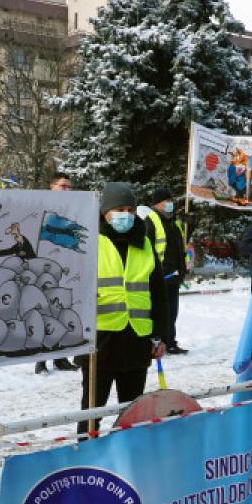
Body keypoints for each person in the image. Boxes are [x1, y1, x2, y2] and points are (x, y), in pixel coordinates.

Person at [78, 182, 167, 438]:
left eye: (130, 209)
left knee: (132, 412)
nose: (125, 215)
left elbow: (159, 294)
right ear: (104, 212)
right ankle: (85, 457)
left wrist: (161, 335)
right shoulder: (89, 241)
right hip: (100, 342)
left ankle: (128, 457)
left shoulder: (145, 242)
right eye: (119, 209)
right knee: (91, 411)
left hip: (137, 341)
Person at [35, 172, 78, 374]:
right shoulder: (42, 206)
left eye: (69, 187)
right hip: (44, 268)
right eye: (63, 186)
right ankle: (41, 361)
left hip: (65, 268)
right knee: (45, 313)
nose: (67, 190)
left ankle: (61, 358)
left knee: (63, 312)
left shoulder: (74, 209)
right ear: (51, 186)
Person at [144, 187, 189, 354]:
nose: (170, 204)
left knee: (172, 312)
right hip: (159, 276)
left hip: (174, 276)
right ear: (157, 204)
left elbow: (178, 247)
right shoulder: (151, 221)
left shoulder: (174, 222)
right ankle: (157, 344)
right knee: (159, 313)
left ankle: (170, 342)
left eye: (171, 200)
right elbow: (147, 248)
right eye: (167, 201)